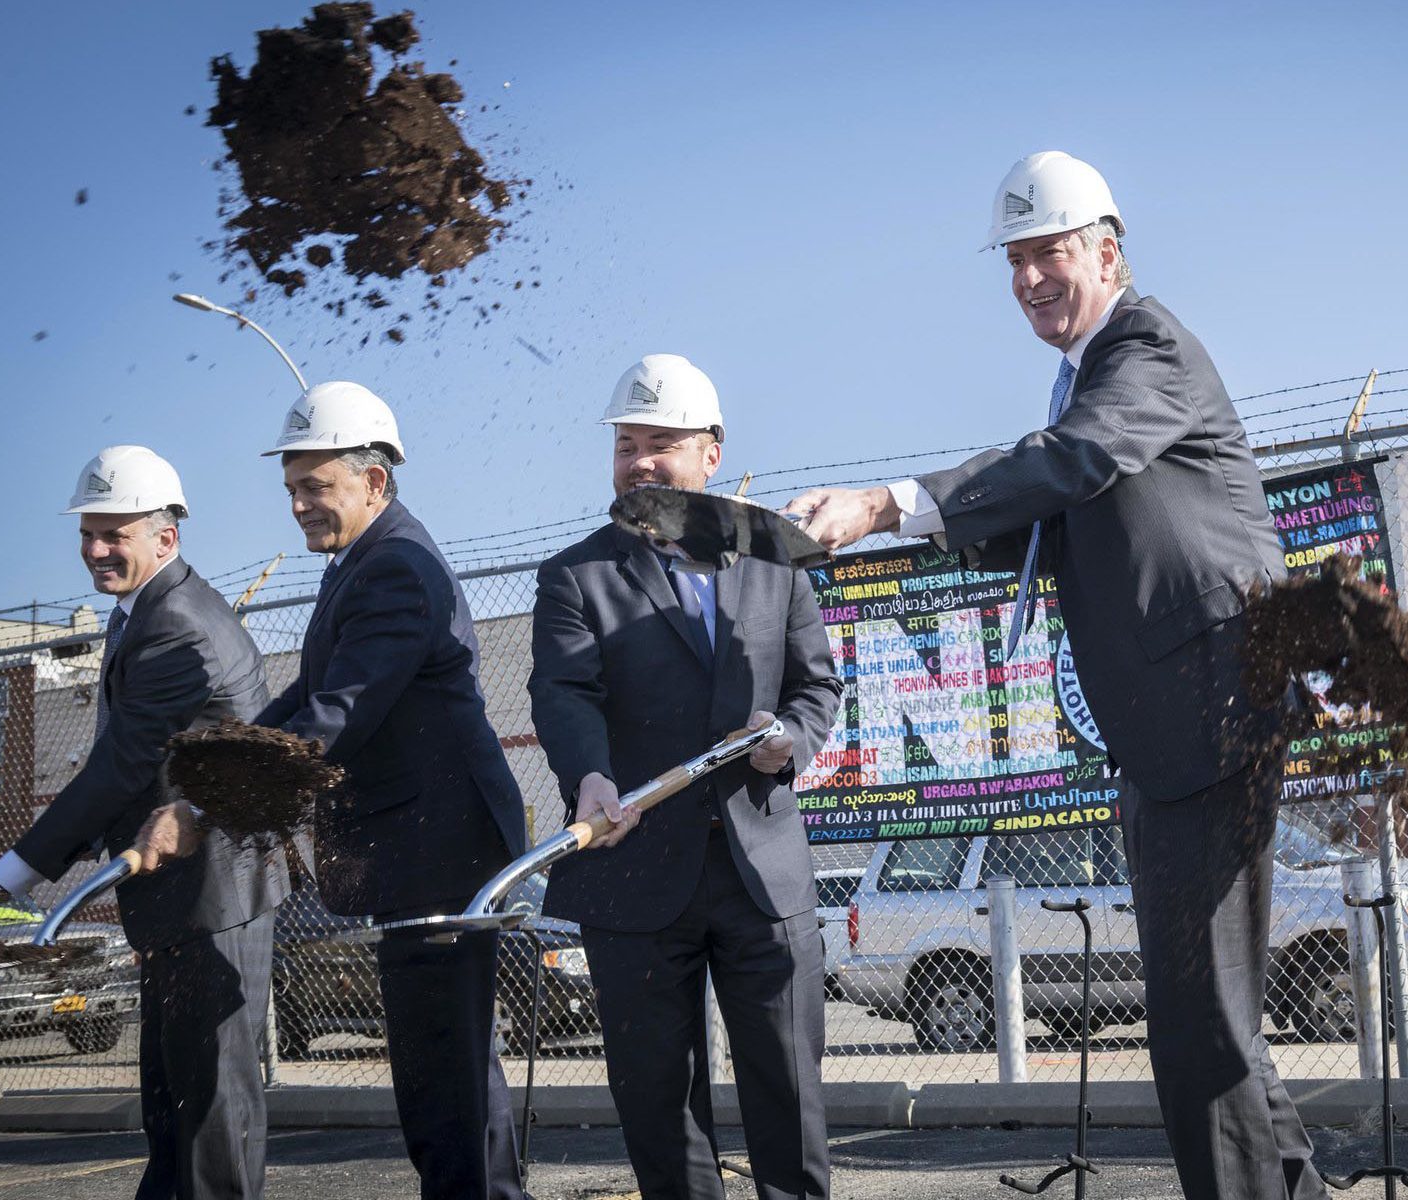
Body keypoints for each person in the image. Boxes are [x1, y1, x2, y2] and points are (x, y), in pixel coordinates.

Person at [787, 152, 1324, 1200]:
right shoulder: (1084, 380)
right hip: (1170, 732)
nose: (1031, 277)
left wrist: (891, 498)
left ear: (1108, 252)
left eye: (1052, 253)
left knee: (1200, 1023)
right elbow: (1046, 520)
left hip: (1213, 713)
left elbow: (1072, 463)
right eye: (1017, 259)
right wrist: (857, 533)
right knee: (1203, 1019)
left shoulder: (1144, 348)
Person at [527, 355, 841, 1200]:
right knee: (660, 1108)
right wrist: (588, 775)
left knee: (790, 1093)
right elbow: (564, 693)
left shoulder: (773, 563)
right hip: (632, 873)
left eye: (660, 443)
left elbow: (817, 687)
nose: (639, 462)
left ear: (711, 451)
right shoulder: (575, 576)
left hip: (761, 872)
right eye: (626, 443)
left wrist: (788, 743)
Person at [256, 382, 528, 1200]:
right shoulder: (363, 563)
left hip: (439, 856)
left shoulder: (396, 567)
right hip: (422, 853)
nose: (301, 504)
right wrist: (217, 748)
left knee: (445, 1084)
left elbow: (343, 709)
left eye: (318, 486)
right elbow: (312, 690)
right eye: (293, 489)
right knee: (445, 1075)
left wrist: (228, 788)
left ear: (375, 481)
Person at [0, 446, 286, 1200]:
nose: (94, 550)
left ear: (166, 536)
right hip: (181, 899)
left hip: (212, 899)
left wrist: (11, 873)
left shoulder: (177, 626)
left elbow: (121, 765)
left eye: (114, 533)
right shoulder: (145, 612)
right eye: (88, 533)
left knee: (209, 1116)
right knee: (177, 1107)